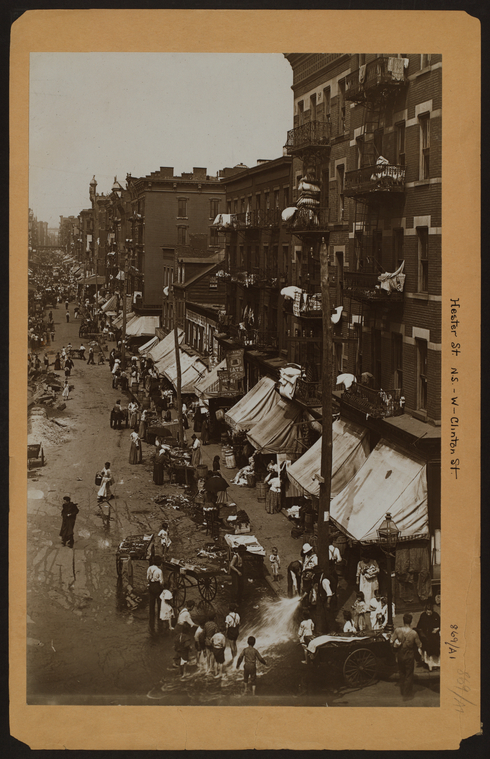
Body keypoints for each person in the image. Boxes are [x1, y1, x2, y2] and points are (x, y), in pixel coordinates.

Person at [390, 613, 423, 700]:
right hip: (409, 655)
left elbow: (391, 641)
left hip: (400, 655)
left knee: (402, 673)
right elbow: (419, 645)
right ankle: (407, 694)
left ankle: (402, 691)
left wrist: (397, 643)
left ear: (403, 620)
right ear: (411, 621)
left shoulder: (397, 630)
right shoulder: (414, 633)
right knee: (409, 674)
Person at [416, 603, 441, 671]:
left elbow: (440, 624)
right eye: (427, 610)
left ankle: (435, 664)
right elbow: (419, 626)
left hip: (434, 635)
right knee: (427, 646)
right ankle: (428, 663)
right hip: (426, 636)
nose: (428, 612)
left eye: (430, 610)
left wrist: (437, 629)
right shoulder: (423, 616)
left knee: (435, 646)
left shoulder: (436, 616)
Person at [147, 557, 164, 634]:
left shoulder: (149, 568)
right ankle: (159, 618)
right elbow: (161, 581)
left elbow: (147, 578)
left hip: (151, 585)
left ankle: (151, 617)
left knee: (151, 602)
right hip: (157, 586)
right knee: (159, 601)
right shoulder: (159, 571)